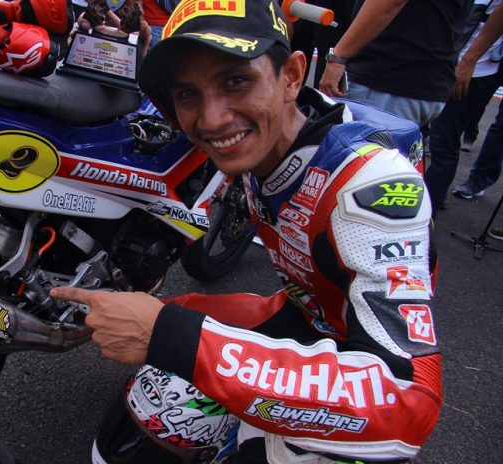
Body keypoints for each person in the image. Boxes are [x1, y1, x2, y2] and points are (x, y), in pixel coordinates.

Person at [51, 1, 442, 463]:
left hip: (362, 368)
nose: (212, 119)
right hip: (309, 315)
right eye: (188, 94)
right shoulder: (269, 135)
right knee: (157, 398)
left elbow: (406, 401)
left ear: (292, 76)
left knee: (182, 352)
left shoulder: (370, 184)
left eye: (235, 80)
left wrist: (170, 336)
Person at [318, 0, 466, 128]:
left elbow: (389, 3)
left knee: (356, 147)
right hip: (417, 78)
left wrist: (338, 57)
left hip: (389, 81)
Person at [425, 0, 503, 209]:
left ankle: (428, 209)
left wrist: (469, 60)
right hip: (444, 57)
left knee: (443, 141)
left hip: (470, 68)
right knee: (426, 134)